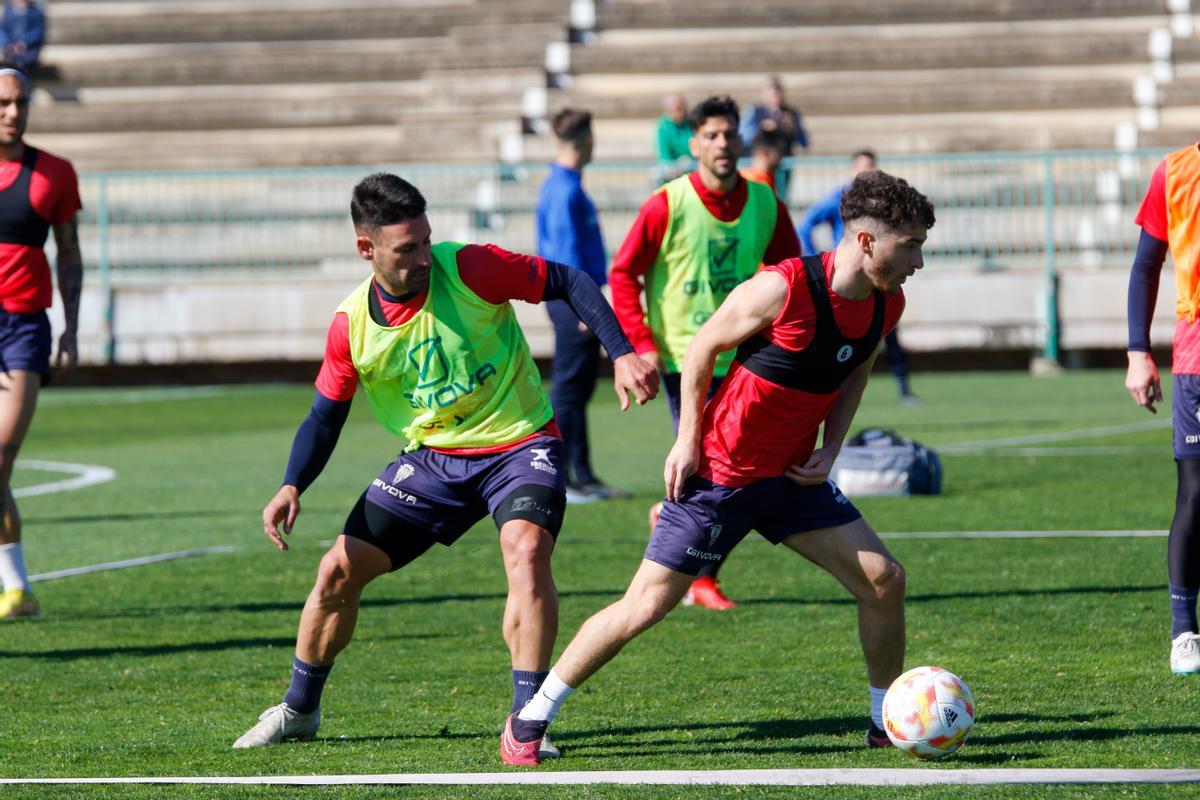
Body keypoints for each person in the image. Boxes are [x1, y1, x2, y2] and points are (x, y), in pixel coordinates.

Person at [500, 169, 935, 766]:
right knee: (645, 606)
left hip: (790, 478)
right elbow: (703, 347)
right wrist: (687, 441)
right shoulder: (781, 289)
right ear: (866, 241)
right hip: (722, 475)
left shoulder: (888, 302)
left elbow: (856, 369)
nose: (918, 259)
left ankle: (886, 721)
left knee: (885, 579)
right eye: (909, 244)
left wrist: (831, 449)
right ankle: (529, 718)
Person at [232, 174, 658, 750]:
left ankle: (525, 719)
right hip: (432, 461)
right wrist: (291, 484)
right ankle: (299, 709)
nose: (425, 258)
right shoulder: (351, 326)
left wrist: (623, 352)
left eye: (427, 240)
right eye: (407, 249)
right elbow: (324, 417)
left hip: (520, 444)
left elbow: (568, 280)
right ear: (367, 250)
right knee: (336, 571)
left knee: (527, 552)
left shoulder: (471, 267)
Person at [610, 95, 801, 610]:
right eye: (711, 135)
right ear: (693, 143)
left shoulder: (765, 202)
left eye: (729, 133)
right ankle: (697, 578)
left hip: (749, 359)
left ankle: (681, 543)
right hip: (684, 360)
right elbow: (623, 273)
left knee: (740, 468)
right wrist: (641, 345)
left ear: (741, 140)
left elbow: (792, 276)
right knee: (712, 468)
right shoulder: (666, 203)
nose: (722, 143)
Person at [0, 62, 82, 620]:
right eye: (2, 104)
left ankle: (14, 585)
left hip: (23, 326)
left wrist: (73, 326)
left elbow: (69, 253)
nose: (12, 113)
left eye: (19, 103)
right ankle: (18, 590)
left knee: (1, 454)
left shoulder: (53, 173)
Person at [1125, 140, 1200, 675]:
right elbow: (1145, 266)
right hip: (1198, 357)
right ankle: (1183, 630)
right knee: (1197, 494)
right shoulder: (1176, 172)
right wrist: (1137, 352)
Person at [536, 108, 623, 504]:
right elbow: (567, 261)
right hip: (573, 303)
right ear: (587, 139)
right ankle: (563, 479)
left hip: (575, 301)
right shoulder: (564, 190)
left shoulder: (565, 185)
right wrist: (583, 309)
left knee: (579, 389)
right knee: (569, 391)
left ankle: (584, 475)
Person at [798, 151, 918, 404]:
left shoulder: (883, 206)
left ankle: (904, 388)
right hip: (847, 279)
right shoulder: (838, 199)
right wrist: (814, 258)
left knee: (888, 334)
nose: (869, 173)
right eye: (864, 168)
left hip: (878, 276)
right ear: (852, 170)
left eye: (873, 168)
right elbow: (805, 226)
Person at [740, 129, 789, 196]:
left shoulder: (766, 178)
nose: (782, 158)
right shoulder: (755, 182)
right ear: (764, 153)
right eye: (780, 153)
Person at [0, 2, 43, 73]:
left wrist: (25, 42)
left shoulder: (35, 12)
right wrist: (8, 44)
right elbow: (2, 30)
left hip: (29, 52)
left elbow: (38, 31)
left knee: (27, 71)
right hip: (10, 51)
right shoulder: (8, 11)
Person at [655, 93, 691, 164]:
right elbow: (664, 155)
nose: (677, 114)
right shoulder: (664, 127)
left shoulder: (692, 124)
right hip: (672, 166)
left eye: (679, 109)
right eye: (672, 111)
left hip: (691, 163)